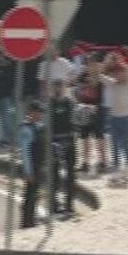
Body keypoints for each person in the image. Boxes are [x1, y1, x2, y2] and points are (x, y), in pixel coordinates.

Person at [101, 51, 128, 185]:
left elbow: (124, 76)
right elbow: (102, 75)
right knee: (115, 146)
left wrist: (117, 63)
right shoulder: (110, 77)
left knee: (126, 144)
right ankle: (116, 171)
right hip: (113, 115)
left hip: (126, 115)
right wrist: (107, 65)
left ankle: (127, 170)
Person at [73, 53, 108, 175]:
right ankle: (85, 163)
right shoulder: (83, 75)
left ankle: (102, 162)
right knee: (84, 138)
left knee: (99, 137)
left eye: (92, 62)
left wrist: (94, 75)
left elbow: (98, 87)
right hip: (84, 109)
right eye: (88, 63)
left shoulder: (101, 76)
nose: (90, 65)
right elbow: (76, 87)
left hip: (98, 109)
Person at [49, 81, 77, 217]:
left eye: (61, 87)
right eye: (56, 87)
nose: (58, 89)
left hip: (69, 141)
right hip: (54, 141)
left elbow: (75, 121)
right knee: (54, 174)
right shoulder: (49, 104)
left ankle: (69, 205)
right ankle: (54, 205)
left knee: (70, 175)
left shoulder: (69, 103)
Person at [19, 101, 46, 229]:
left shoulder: (38, 127)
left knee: (34, 194)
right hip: (32, 167)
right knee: (30, 194)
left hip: (38, 165)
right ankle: (27, 221)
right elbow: (25, 151)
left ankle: (30, 219)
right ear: (31, 113)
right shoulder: (26, 129)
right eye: (38, 112)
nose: (41, 115)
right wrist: (28, 171)